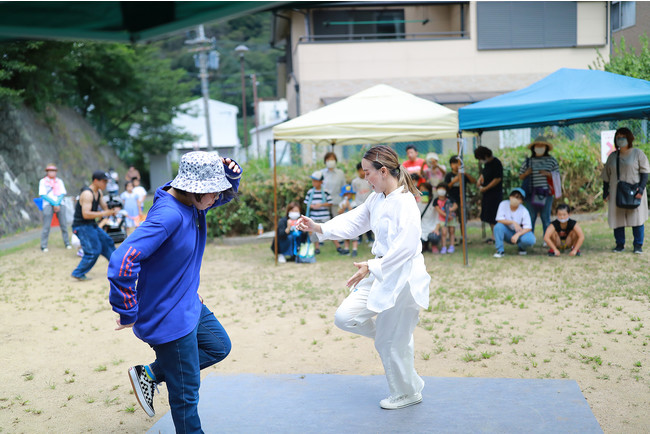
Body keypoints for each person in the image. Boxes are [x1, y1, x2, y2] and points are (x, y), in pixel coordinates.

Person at [108, 151, 241, 432]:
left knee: (218, 346)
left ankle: (151, 372)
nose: (217, 198)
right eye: (213, 192)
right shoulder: (168, 215)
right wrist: (127, 309)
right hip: (170, 318)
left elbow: (220, 196)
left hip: (188, 303)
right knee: (186, 395)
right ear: (194, 189)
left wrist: (231, 177)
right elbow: (123, 259)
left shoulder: (191, 203)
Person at [297, 145, 430, 410]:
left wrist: (371, 266)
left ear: (383, 171)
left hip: (402, 275)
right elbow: (355, 221)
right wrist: (319, 227)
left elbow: (406, 246)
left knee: (390, 341)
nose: (365, 178)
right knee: (346, 318)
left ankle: (406, 393)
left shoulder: (405, 202)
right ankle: (396, 339)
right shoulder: (377, 199)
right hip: (379, 270)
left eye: (368, 172)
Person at [601, 127, 649, 254]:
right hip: (616, 192)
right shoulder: (612, 156)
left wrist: (641, 189)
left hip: (634, 191)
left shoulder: (638, 153)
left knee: (636, 218)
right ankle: (619, 244)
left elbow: (645, 173)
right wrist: (605, 193)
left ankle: (638, 245)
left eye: (623, 136)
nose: (620, 139)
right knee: (618, 218)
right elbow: (606, 177)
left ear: (629, 138)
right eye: (618, 137)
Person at [71, 171, 118, 281]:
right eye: (104, 181)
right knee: (93, 251)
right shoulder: (87, 194)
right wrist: (104, 213)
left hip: (91, 224)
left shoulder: (99, 192)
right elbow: (86, 214)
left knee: (108, 242)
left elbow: (105, 208)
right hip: (82, 226)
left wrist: (111, 210)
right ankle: (78, 272)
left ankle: (118, 267)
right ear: (96, 181)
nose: (105, 184)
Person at [519, 136, 560, 237]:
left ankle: (547, 239)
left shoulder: (552, 161)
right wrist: (527, 173)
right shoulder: (528, 161)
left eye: (542, 145)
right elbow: (520, 176)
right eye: (538, 145)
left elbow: (557, 176)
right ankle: (529, 238)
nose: (540, 147)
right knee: (530, 217)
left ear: (546, 147)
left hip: (547, 193)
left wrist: (548, 173)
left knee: (546, 217)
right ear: (533, 147)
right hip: (531, 193)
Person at [493, 188, 536, 258]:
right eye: (514, 196)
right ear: (510, 197)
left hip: (519, 233)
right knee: (498, 227)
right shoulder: (503, 204)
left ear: (521, 201)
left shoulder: (524, 211)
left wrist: (518, 234)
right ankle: (500, 250)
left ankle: (522, 247)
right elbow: (499, 219)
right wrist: (513, 222)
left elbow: (528, 227)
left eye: (519, 198)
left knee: (531, 239)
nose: (515, 199)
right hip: (507, 232)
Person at [38, 164, 71, 252]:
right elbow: (43, 194)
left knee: (64, 224)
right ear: (47, 172)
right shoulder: (43, 181)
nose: (52, 173)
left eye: (53, 171)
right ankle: (43, 245)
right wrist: (53, 203)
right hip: (48, 204)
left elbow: (62, 193)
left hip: (60, 203)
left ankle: (67, 243)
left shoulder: (59, 181)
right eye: (50, 171)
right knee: (46, 225)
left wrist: (57, 203)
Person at [475, 146, 503, 244]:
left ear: (485, 155)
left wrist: (486, 188)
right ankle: (493, 235)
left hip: (495, 194)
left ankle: (496, 237)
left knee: (495, 215)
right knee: (490, 216)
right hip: (487, 194)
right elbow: (484, 174)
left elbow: (497, 179)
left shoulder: (496, 163)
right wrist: (480, 180)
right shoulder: (487, 165)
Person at [304, 171, 335, 255]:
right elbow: (307, 203)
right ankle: (317, 248)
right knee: (314, 232)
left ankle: (338, 246)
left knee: (330, 230)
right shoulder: (310, 192)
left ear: (321, 182)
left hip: (324, 216)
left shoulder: (325, 191)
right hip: (314, 216)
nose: (313, 183)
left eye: (315, 181)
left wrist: (321, 204)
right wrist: (313, 206)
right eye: (313, 181)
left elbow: (330, 203)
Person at [351, 162, 374, 244]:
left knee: (369, 221)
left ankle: (370, 237)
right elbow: (353, 193)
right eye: (360, 170)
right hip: (358, 204)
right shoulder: (355, 182)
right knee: (359, 222)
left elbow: (372, 191)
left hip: (368, 204)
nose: (362, 172)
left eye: (364, 170)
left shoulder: (369, 180)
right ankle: (359, 238)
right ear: (358, 171)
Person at [433, 183, 457, 254]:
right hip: (442, 219)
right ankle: (444, 247)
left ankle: (451, 246)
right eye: (440, 189)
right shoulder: (436, 200)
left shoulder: (450, 199)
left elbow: (456, 205)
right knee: (444, 232)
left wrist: (451, 209)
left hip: (451, 218)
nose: (441, 191)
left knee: (452, 231)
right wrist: (446, 215)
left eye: (443, 189)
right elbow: (438, 210)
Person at [418, 182, 441, 253]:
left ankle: (434, 245)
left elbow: (438, 219)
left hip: (432, 228)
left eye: (425, 190)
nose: (423, 192)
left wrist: (436, 229)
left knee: (434, 237)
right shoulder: (417, 204)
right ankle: (424, 245)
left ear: (429, 191)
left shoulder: (434, 203)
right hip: (421, 229)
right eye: (421, 190)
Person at [338, 184, 359, 257]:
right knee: (346, 236)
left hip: (353, 222)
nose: (347, 195)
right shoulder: (342, 203)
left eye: (349, 194)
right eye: (346, 194)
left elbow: (353, 212)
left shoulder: (353, 203)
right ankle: (346, 249)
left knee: (354, 237)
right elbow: (339, 212)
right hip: (345, 222)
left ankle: (354, 250)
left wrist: (348, 205)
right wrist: (343, 208)